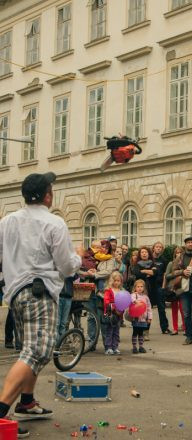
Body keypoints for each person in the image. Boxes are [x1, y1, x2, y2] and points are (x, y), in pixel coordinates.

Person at [0, 172, 82, 438]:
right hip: (40, 292)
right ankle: (1, 411)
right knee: (37, 351)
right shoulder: (54, 223)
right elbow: (67, 266)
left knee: (29, 349)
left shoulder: (7, 221)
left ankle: (26, 401)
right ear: (48, 195)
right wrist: (79, 258)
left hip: (15, 293)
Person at [150, 242, 171, 335]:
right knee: (147, 308)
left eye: (160, 247)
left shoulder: (164, 260)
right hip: (149, 286)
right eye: (157, 247)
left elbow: (165, 275)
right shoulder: (149, 259)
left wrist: (163, 287)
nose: (158, 248)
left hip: (159, 286)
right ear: (153, 248)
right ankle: (143, 329)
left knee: (161, 308)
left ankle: (165, 328)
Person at [164, 246, 185, 335]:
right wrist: (177, 273)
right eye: (177, 252)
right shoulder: (171, 263)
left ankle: (185, 327)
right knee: (174, 309)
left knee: (183, 309)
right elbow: (167, 276)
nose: (178, 254)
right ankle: (175, 328)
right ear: (174, 254)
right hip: (173, 288)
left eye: (180, 252)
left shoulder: (184, 263)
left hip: (182, 288)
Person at [103, 271, 124, 355]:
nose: (116, 282)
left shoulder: (121, 291)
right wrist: (115, 307)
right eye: (115, 280)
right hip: (110, 314)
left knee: (116, 332)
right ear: (111, 281)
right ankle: (108, 347)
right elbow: (106, 302)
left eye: (118, 281)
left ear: (121, 282)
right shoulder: (108, 290)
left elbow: (124, 302)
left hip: (119, 314)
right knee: (109, 331)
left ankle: (115, 347)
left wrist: (121, 310)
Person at [130, 279, 152, 354]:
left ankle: (141, 346)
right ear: (135, 288)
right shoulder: (134, 295)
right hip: (136, 318)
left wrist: (149, 317)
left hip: (143, 319)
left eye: (141, 286)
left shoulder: (146, 297)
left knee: (141, 333)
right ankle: (134, 347)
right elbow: (131, 299)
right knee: (135, 332)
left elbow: (149, 308)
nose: (140, 288)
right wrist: (135, 301)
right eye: (138, 286)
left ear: (144, 288)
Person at [56, 276, 76, 342]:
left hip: (68, 296)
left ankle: (60, 343)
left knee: (63, 323)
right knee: (57, 323)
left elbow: (75, 276)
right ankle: (57, 343)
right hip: (58, 295)